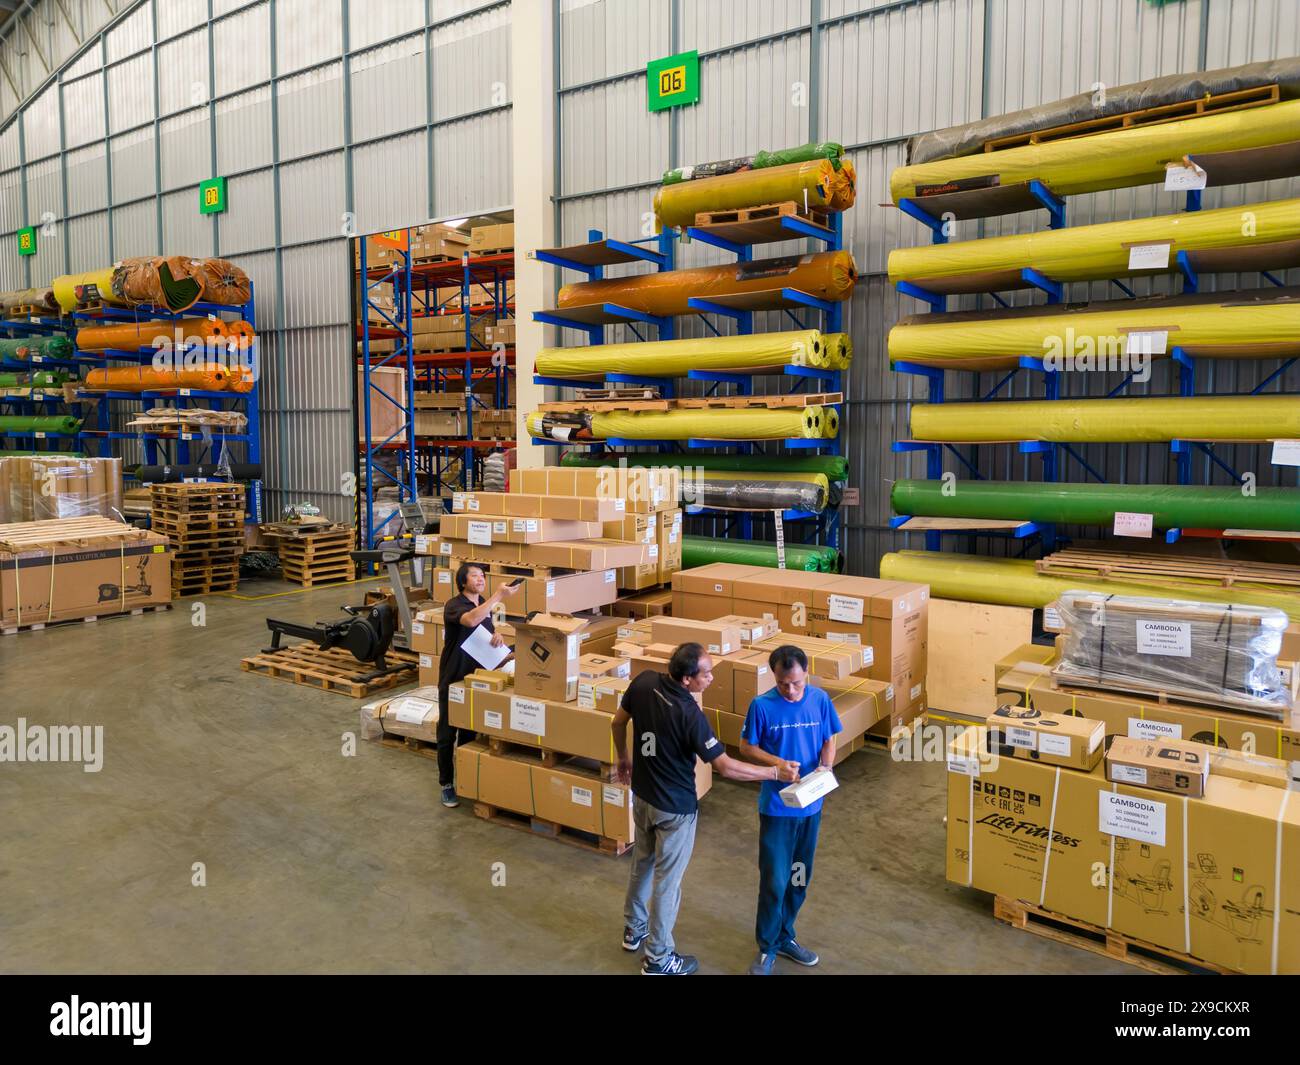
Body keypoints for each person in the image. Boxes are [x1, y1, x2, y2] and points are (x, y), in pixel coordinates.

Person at [611, 642, 799, 976]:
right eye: (706, 674)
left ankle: (633, 929)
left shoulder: (643, 683)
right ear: (686, 679)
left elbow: (617, 722)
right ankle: (658, 958)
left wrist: (623, 757)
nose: (711, 678)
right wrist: (773, 772)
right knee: (668, 883)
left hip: (642, 797)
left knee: (642, 863)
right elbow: (726, 767)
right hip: (675, 811)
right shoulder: (689, 714)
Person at [739, 644, 842, 975]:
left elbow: (830, 736)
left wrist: (827, 765)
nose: (792, 690)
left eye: (797, 683)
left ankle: (786, 935)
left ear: (806, 673)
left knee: (799, 876)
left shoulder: (820, 700)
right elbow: (746, 746)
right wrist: (777, 764)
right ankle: (767, 945)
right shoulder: (762, 706)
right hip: (777, 810)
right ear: (775, 677)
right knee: (774, 877)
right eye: (784, 684)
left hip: (811, 807)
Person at [438, 562, 520, 809]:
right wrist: (499, 595)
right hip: (454, 678)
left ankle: (465, 778)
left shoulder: (482, 602)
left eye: (483, 576)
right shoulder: (454, 605)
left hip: (476, 678)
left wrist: (498, 637)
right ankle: (446, 784)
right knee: (447, 733)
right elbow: (472, 621)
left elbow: (486, 631)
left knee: (469, 731)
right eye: (475, 576)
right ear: (463, 582)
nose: (481, 579)